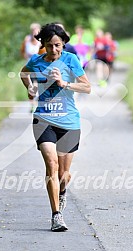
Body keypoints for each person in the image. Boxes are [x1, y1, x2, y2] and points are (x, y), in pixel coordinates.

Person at [20, 23, 91, 232]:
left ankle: (61, 193)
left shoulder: (71, 60)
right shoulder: (36, 61)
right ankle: (56, 216)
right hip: (44, 119)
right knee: (51, 165)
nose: (54, 50)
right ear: (43, 44)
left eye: (58, 45)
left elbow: (87, 87)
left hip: (69, 122)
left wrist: (64, 84)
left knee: (64, 174)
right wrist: (31, 88)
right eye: (50, 46)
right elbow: (23, 74)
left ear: (63, 44)